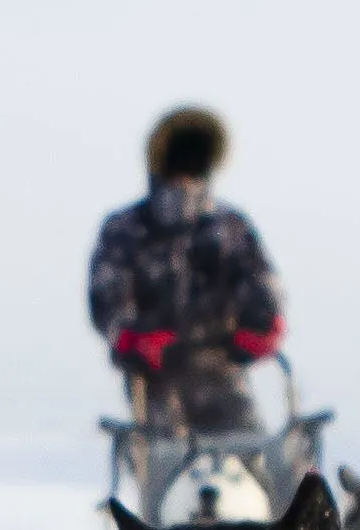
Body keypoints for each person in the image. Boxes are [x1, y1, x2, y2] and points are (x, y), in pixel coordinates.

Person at [88, 104, 286, 435]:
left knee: (257, 463)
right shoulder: (127, 230)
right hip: (155, 382)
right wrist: (133, 340)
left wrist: (262, 326)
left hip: (222, 372)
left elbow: (259, 287)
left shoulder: (228, 227)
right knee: (170, 465)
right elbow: (107, 299)